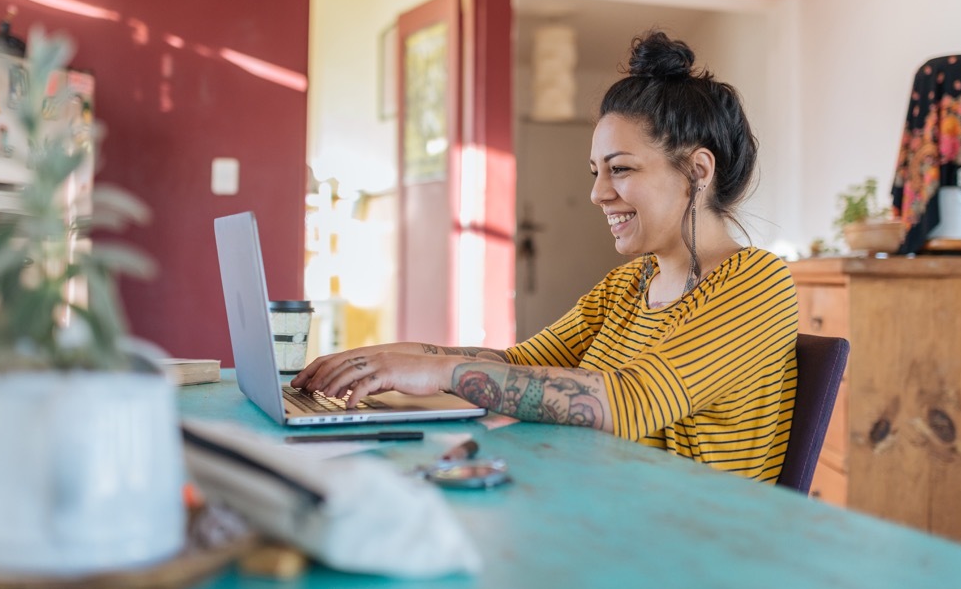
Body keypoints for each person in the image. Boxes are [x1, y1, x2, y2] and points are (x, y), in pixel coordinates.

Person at [293, 30, 798, 483]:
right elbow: (516, 364)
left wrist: (438, 374)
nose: (599, 193)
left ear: (697, 169)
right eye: (595, 172)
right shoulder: (626, 287)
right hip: (608, 514)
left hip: (692, 549)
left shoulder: (757, 282)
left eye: (619, 169)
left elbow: (632, 403)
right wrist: (383, 361)